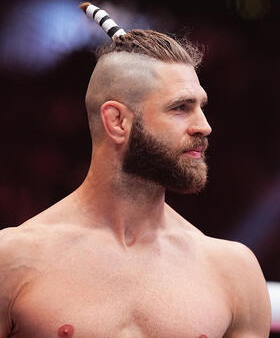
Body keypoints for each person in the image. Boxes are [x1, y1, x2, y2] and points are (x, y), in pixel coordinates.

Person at [0, 29, 271, 338]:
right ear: (117, 121)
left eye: (201, 107)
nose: (204, 126)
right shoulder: (12, 259)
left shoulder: (233, 272)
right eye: (181, 107)